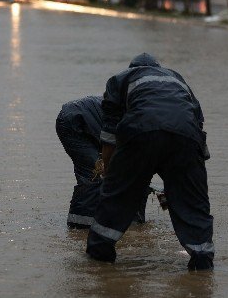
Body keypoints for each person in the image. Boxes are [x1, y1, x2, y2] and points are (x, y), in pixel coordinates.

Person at [86, 53, 214, 270]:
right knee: (194, 204)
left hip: (140, 132)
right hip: (187, 138)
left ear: (131, 68)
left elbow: (109, 135)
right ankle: (202, 265)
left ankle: (99, 261)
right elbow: (196, 126)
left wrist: (110, 174)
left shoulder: (120, 79)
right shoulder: (177, 79)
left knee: (116, 199)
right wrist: (179, 189)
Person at [56, 96, 147, 229]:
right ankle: (80, 227)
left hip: (85, 119)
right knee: (95, 172)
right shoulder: (139, 127)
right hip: (74, 120)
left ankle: (122, 221)